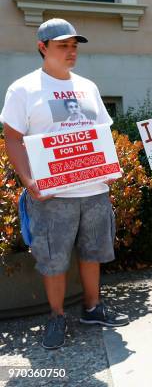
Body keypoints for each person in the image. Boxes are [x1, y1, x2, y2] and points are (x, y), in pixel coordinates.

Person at [0, 18, 129, 350]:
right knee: (53, 259)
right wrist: (29, 182)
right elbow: (13, 139)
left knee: (92, 253)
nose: (71, 52)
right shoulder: (23, 89)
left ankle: (92, 308)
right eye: (63, 46)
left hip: (94, 190)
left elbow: (102, 134)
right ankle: (56, 316)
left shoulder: (88, 86)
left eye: (74, 46)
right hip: (52, 194)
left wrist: (110, 169)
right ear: (43, 48)